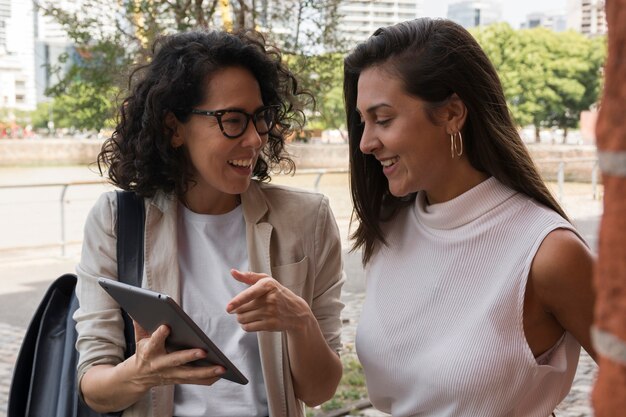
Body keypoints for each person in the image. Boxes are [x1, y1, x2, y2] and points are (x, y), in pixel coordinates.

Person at [73, 29, 344, 417]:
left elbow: (320, 391)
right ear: (174, 128)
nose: (254, 139)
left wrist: (299, 322)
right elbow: (94, 388)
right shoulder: (116, 221)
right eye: (232, 120)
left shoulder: (307, 220)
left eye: (261, 118)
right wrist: (142, 372)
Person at [343, 18, 596, 417]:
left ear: (452, 113)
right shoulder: (388, 226)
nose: (365, 143)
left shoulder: (547, 253)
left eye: (384, 119)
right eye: (363, 121)